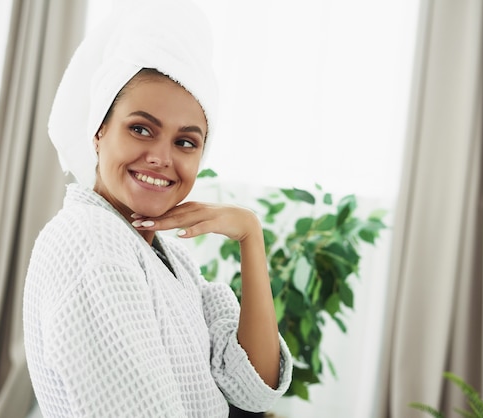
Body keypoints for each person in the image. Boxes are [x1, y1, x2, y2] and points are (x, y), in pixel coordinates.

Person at [22, 0, 292, 417]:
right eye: (141, 129)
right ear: (98, 131)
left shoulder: (168, 258)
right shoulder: (90, 245)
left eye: (185, 141)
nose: (161, 157)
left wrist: (250, 235)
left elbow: (254, 388)